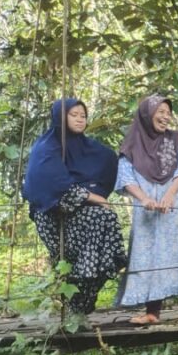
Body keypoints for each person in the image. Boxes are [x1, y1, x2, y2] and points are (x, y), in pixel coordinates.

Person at [21, 98, 127, 314]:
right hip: (52, 217)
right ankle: (75, 303)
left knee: (105, 220)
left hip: (84, 215)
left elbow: (109, 167)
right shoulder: (46, 147)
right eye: (74, 115)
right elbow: (49, 184)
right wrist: (91, 196)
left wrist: (96, 195)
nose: (80, 119)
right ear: (61, 117)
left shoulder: (93, 149)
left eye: (83, 116)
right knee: (97, 221)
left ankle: (79, 304)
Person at [115, 95, 178, 325]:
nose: (166, 117)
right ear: (147, 114)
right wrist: (144, 198)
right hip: (149, 211)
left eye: (168, 113)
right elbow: (126, 178)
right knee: (150, 257)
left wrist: (170, 195)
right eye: (161, 112)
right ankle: (152, 313)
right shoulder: (131, 146)